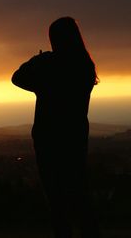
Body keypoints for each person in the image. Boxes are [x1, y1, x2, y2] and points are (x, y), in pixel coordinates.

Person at [12, 17, 100, 238]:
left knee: (56, 198)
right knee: (80, 194)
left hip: (48, 138)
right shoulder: (85, 65)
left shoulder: (49, 66)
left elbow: (17, 78)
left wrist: (36, 60)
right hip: (76, 137)